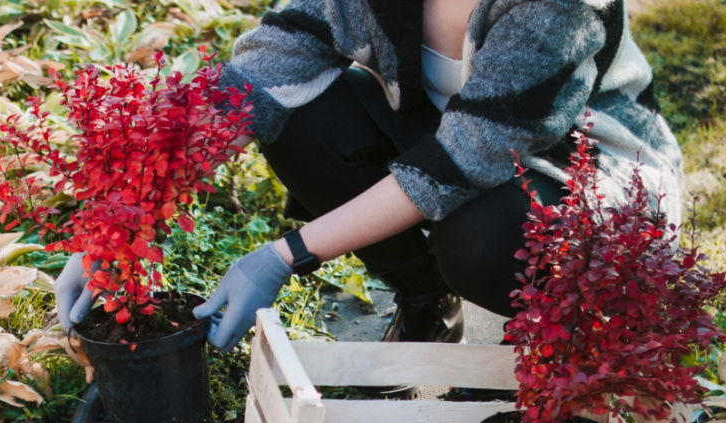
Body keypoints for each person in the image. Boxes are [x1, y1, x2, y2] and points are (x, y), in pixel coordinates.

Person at [56, 0, 681, 358]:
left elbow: (471, 156)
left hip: (589, 179)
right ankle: (425, 301)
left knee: (482, 239)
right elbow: (263, 72)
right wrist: (122, 214)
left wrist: (283, 256)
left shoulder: (560, 6)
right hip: (456, 141)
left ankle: (562, 353)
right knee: (299, 115)